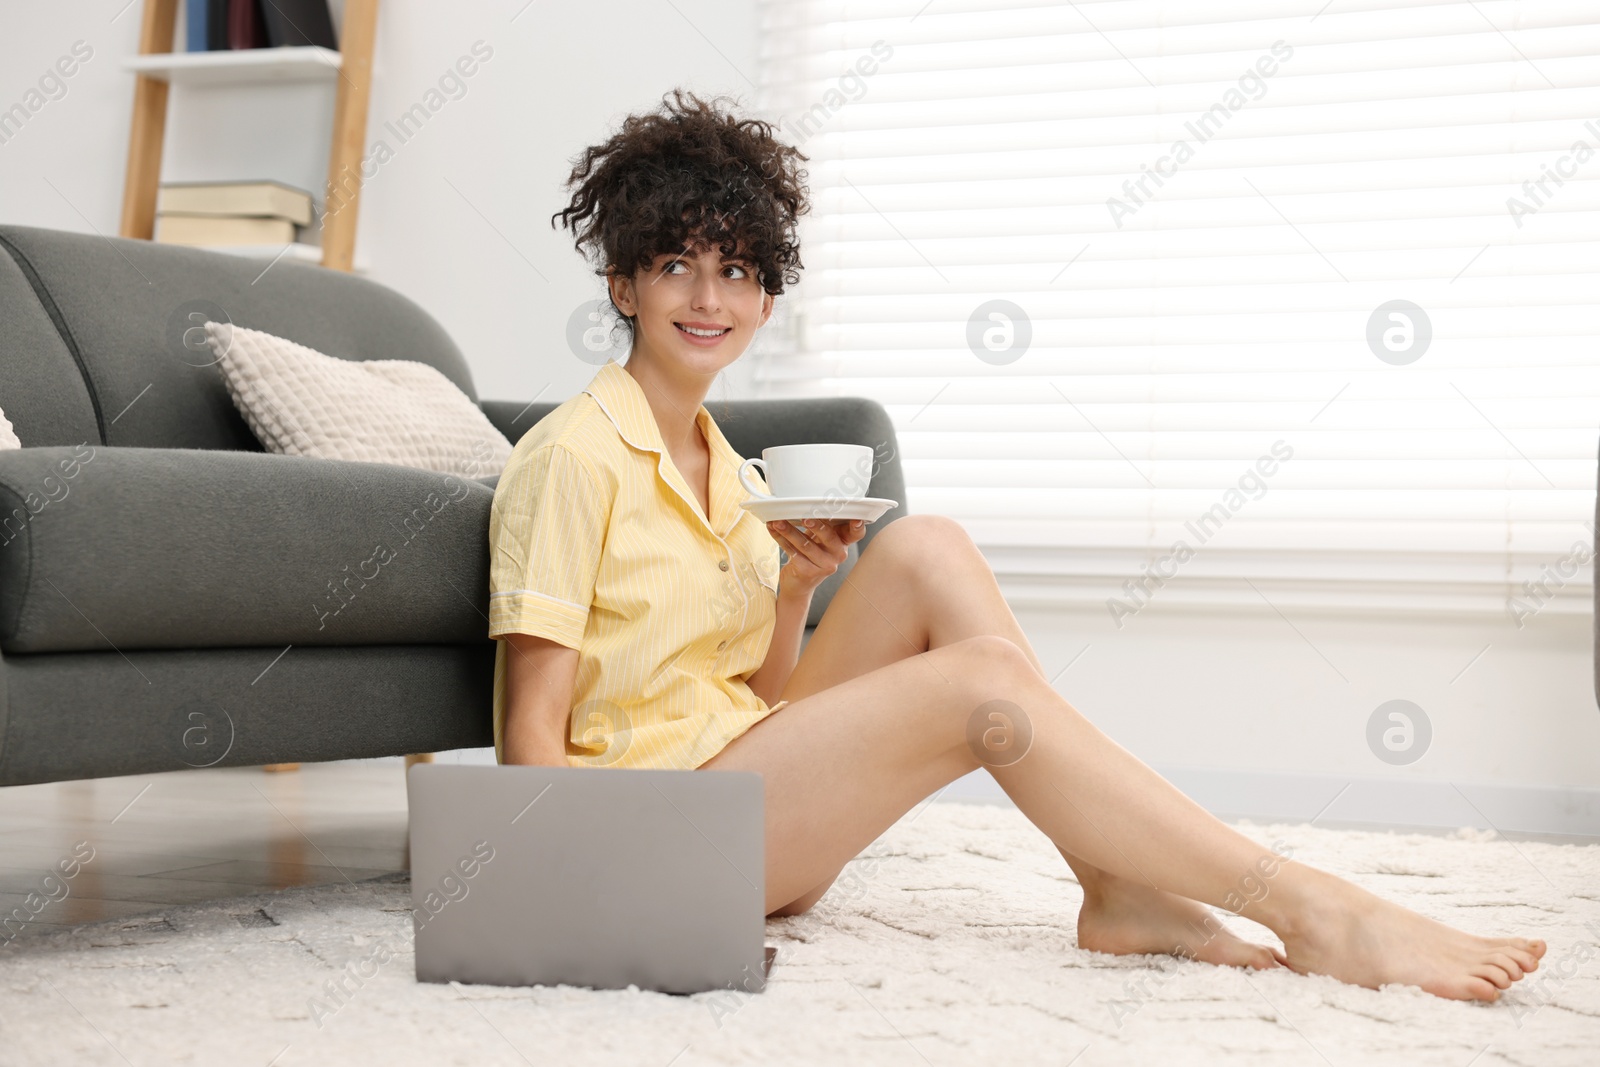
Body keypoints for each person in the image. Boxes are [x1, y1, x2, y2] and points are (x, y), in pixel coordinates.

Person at [489, 88, 1545, 1003]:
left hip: (750, 811)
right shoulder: (573, 457)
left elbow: (753, 703)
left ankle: (1115, 882)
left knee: (925, 546)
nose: (708, 297)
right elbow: (527, 731)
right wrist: (592, 907)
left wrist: (793, 590)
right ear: (623, 285)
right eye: (675, 265)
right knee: (980, 683)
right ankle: (1316, 909)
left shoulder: (737, 472)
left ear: (768, 297)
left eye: (736, 269)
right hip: (658, 844)